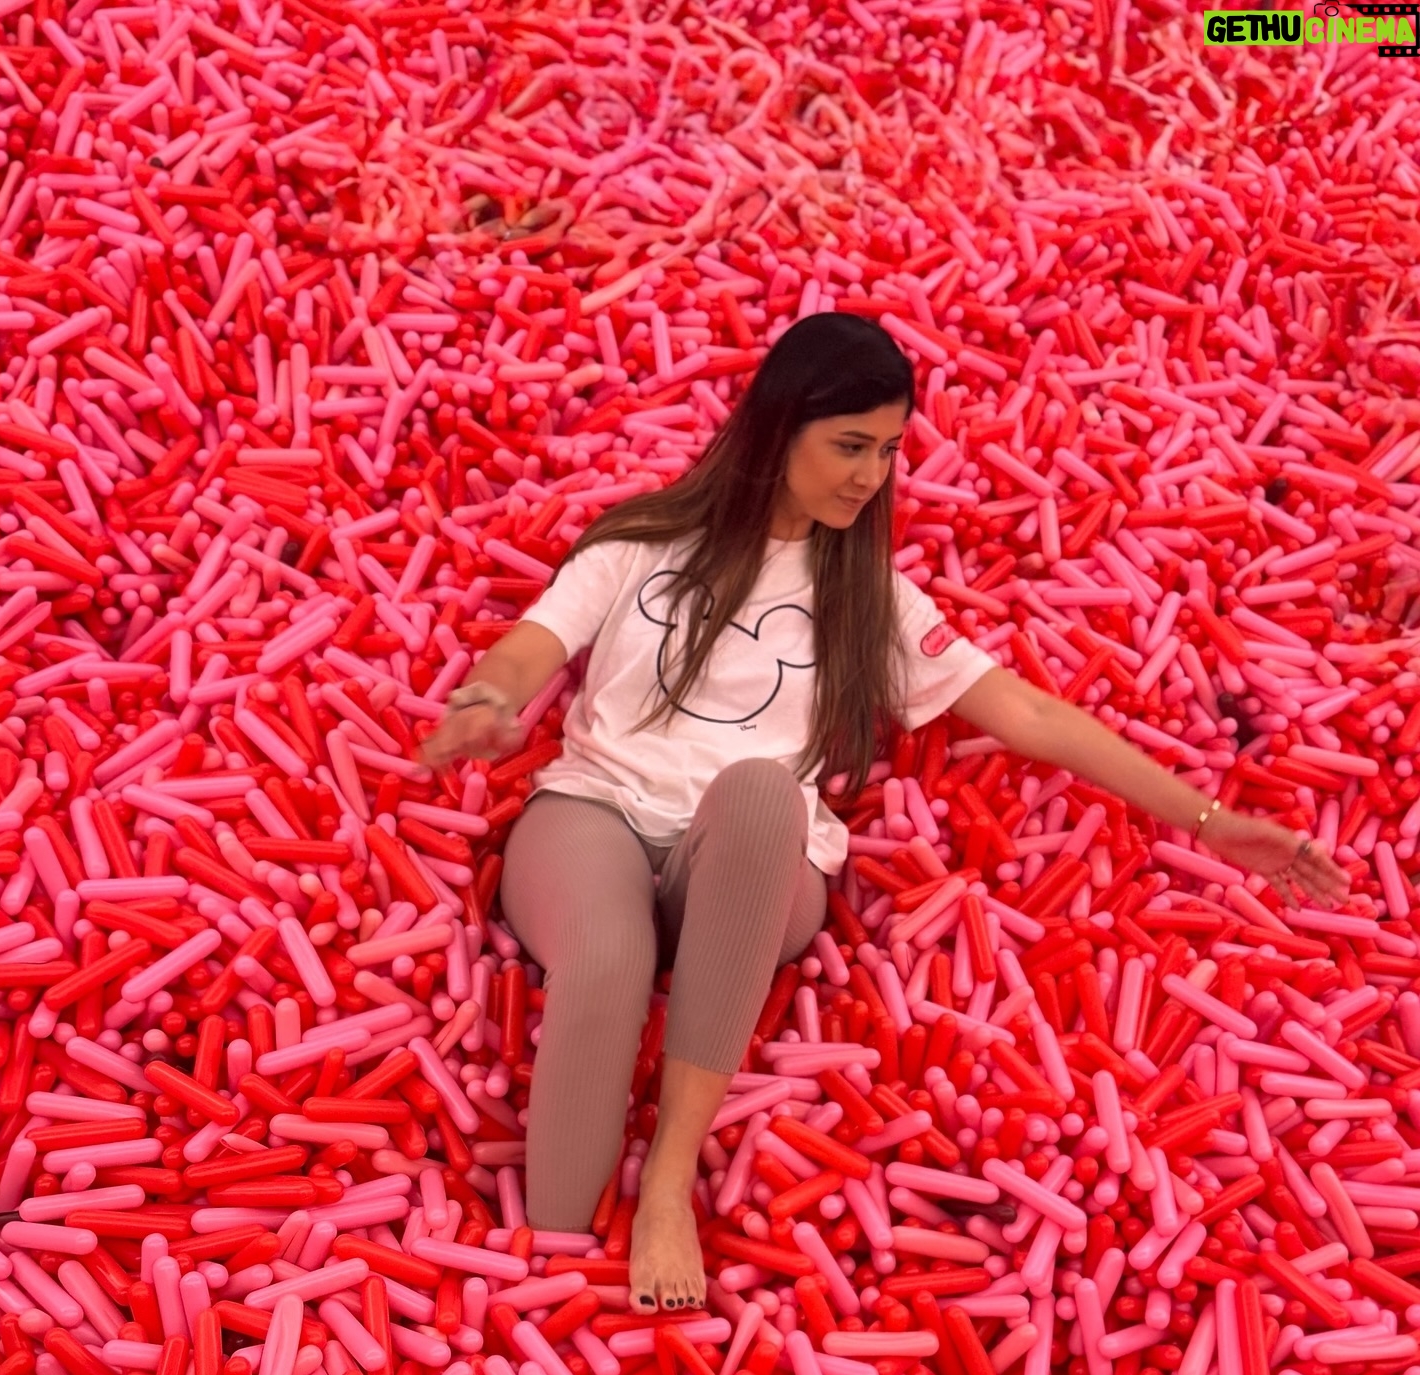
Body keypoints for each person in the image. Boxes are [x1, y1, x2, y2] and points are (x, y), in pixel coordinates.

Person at [419, 312, 1349, 1315]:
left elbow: (1030, 715)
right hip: (597, 815)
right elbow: (535, 643)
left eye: (890, 451)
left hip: (752, 863)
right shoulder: (640, 543)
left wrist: (1210, 822)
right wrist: (491, 697)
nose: (871, 476)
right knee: (609, 957)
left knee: (763, 790)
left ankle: (669, 1183)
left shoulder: (873, 600)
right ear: (779, 429)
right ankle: (552, 1278)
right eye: (851, 446)